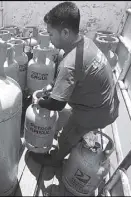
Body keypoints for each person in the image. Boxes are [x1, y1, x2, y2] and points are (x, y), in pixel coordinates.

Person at [30, 1, 120, 166]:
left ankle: (54, 159)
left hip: (96, 113)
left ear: (65, 32)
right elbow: (76, 75)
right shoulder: (86, 41)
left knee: (67, 135)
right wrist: (53, 87)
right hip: (110, 104)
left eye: (51, 34)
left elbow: (57, 104)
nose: (49, 39)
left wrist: (40, 102)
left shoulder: (69, 64)